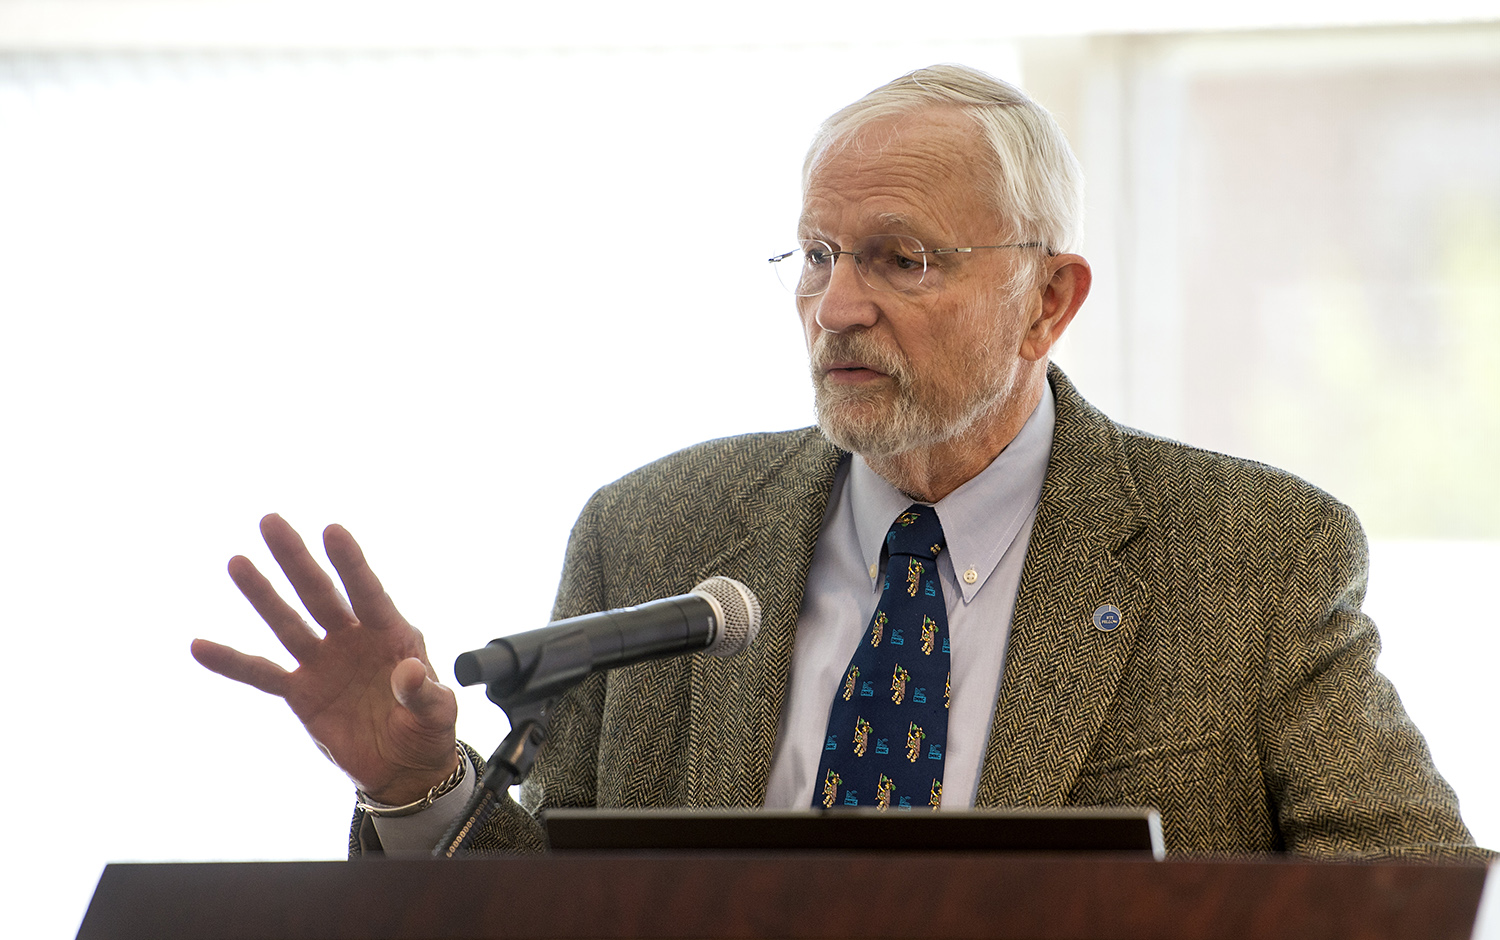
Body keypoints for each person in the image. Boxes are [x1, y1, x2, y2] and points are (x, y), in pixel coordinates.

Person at [192, 64, 1489, 860]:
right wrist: (417, 785)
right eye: (816, 256)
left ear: (1048, 302)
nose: (838, 307)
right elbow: (538, 911)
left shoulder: (1251, 552)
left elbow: (1412, 894)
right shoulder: (651, 532)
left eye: (899, 259)